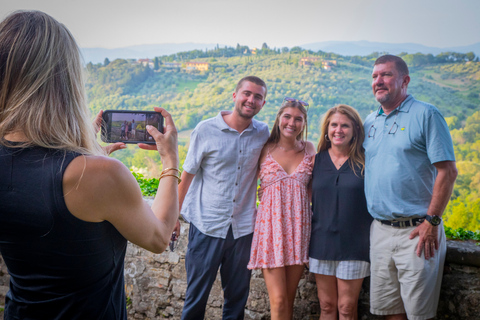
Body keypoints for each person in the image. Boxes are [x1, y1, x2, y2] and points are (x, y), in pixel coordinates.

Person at [0, 11, 179, 320]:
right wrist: (170, 160)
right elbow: (159, 237)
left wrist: (86, 154)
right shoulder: (99, 175)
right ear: (65, 80)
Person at [364, 55, 458, 320]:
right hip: (380, 231)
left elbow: (448, 171)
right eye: (374, 76)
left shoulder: (426, 114)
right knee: (390, 312)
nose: (378, 81)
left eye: (386, 75)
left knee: (418, 314)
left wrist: (432, 221)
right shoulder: (370, 122)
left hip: (418, 232)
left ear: (405, 80)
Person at [178, 76, 269, 320]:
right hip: (207, 226)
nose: (251, 100)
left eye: (258, 96)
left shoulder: (263, 133)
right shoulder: (205, 129)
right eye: (247, 93)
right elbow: (186, 176)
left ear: (263, 103)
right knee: (196, 297)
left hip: (243, 230)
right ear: (235, 95)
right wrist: (171, 218)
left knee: (237, 300)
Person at [248, 98, 315, 320]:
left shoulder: (309, 149)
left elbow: (315, 189)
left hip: (299, 230)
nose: (291, 123)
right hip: (271, 230)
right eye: (287, 116)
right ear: (279, 119)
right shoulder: (264, 148)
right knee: (277, 300)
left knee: (288, 298)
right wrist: (265, 193)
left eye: (298, 119)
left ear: (304, 123)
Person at [309, 105, 372, 320]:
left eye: (345, 125)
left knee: (346, 307)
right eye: (334, 124)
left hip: (355, 244)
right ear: (327, 129)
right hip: (321, 242)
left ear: (355, 129)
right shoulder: (315, 161)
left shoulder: (366, 161)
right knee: (326, 306)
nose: (339, 130)